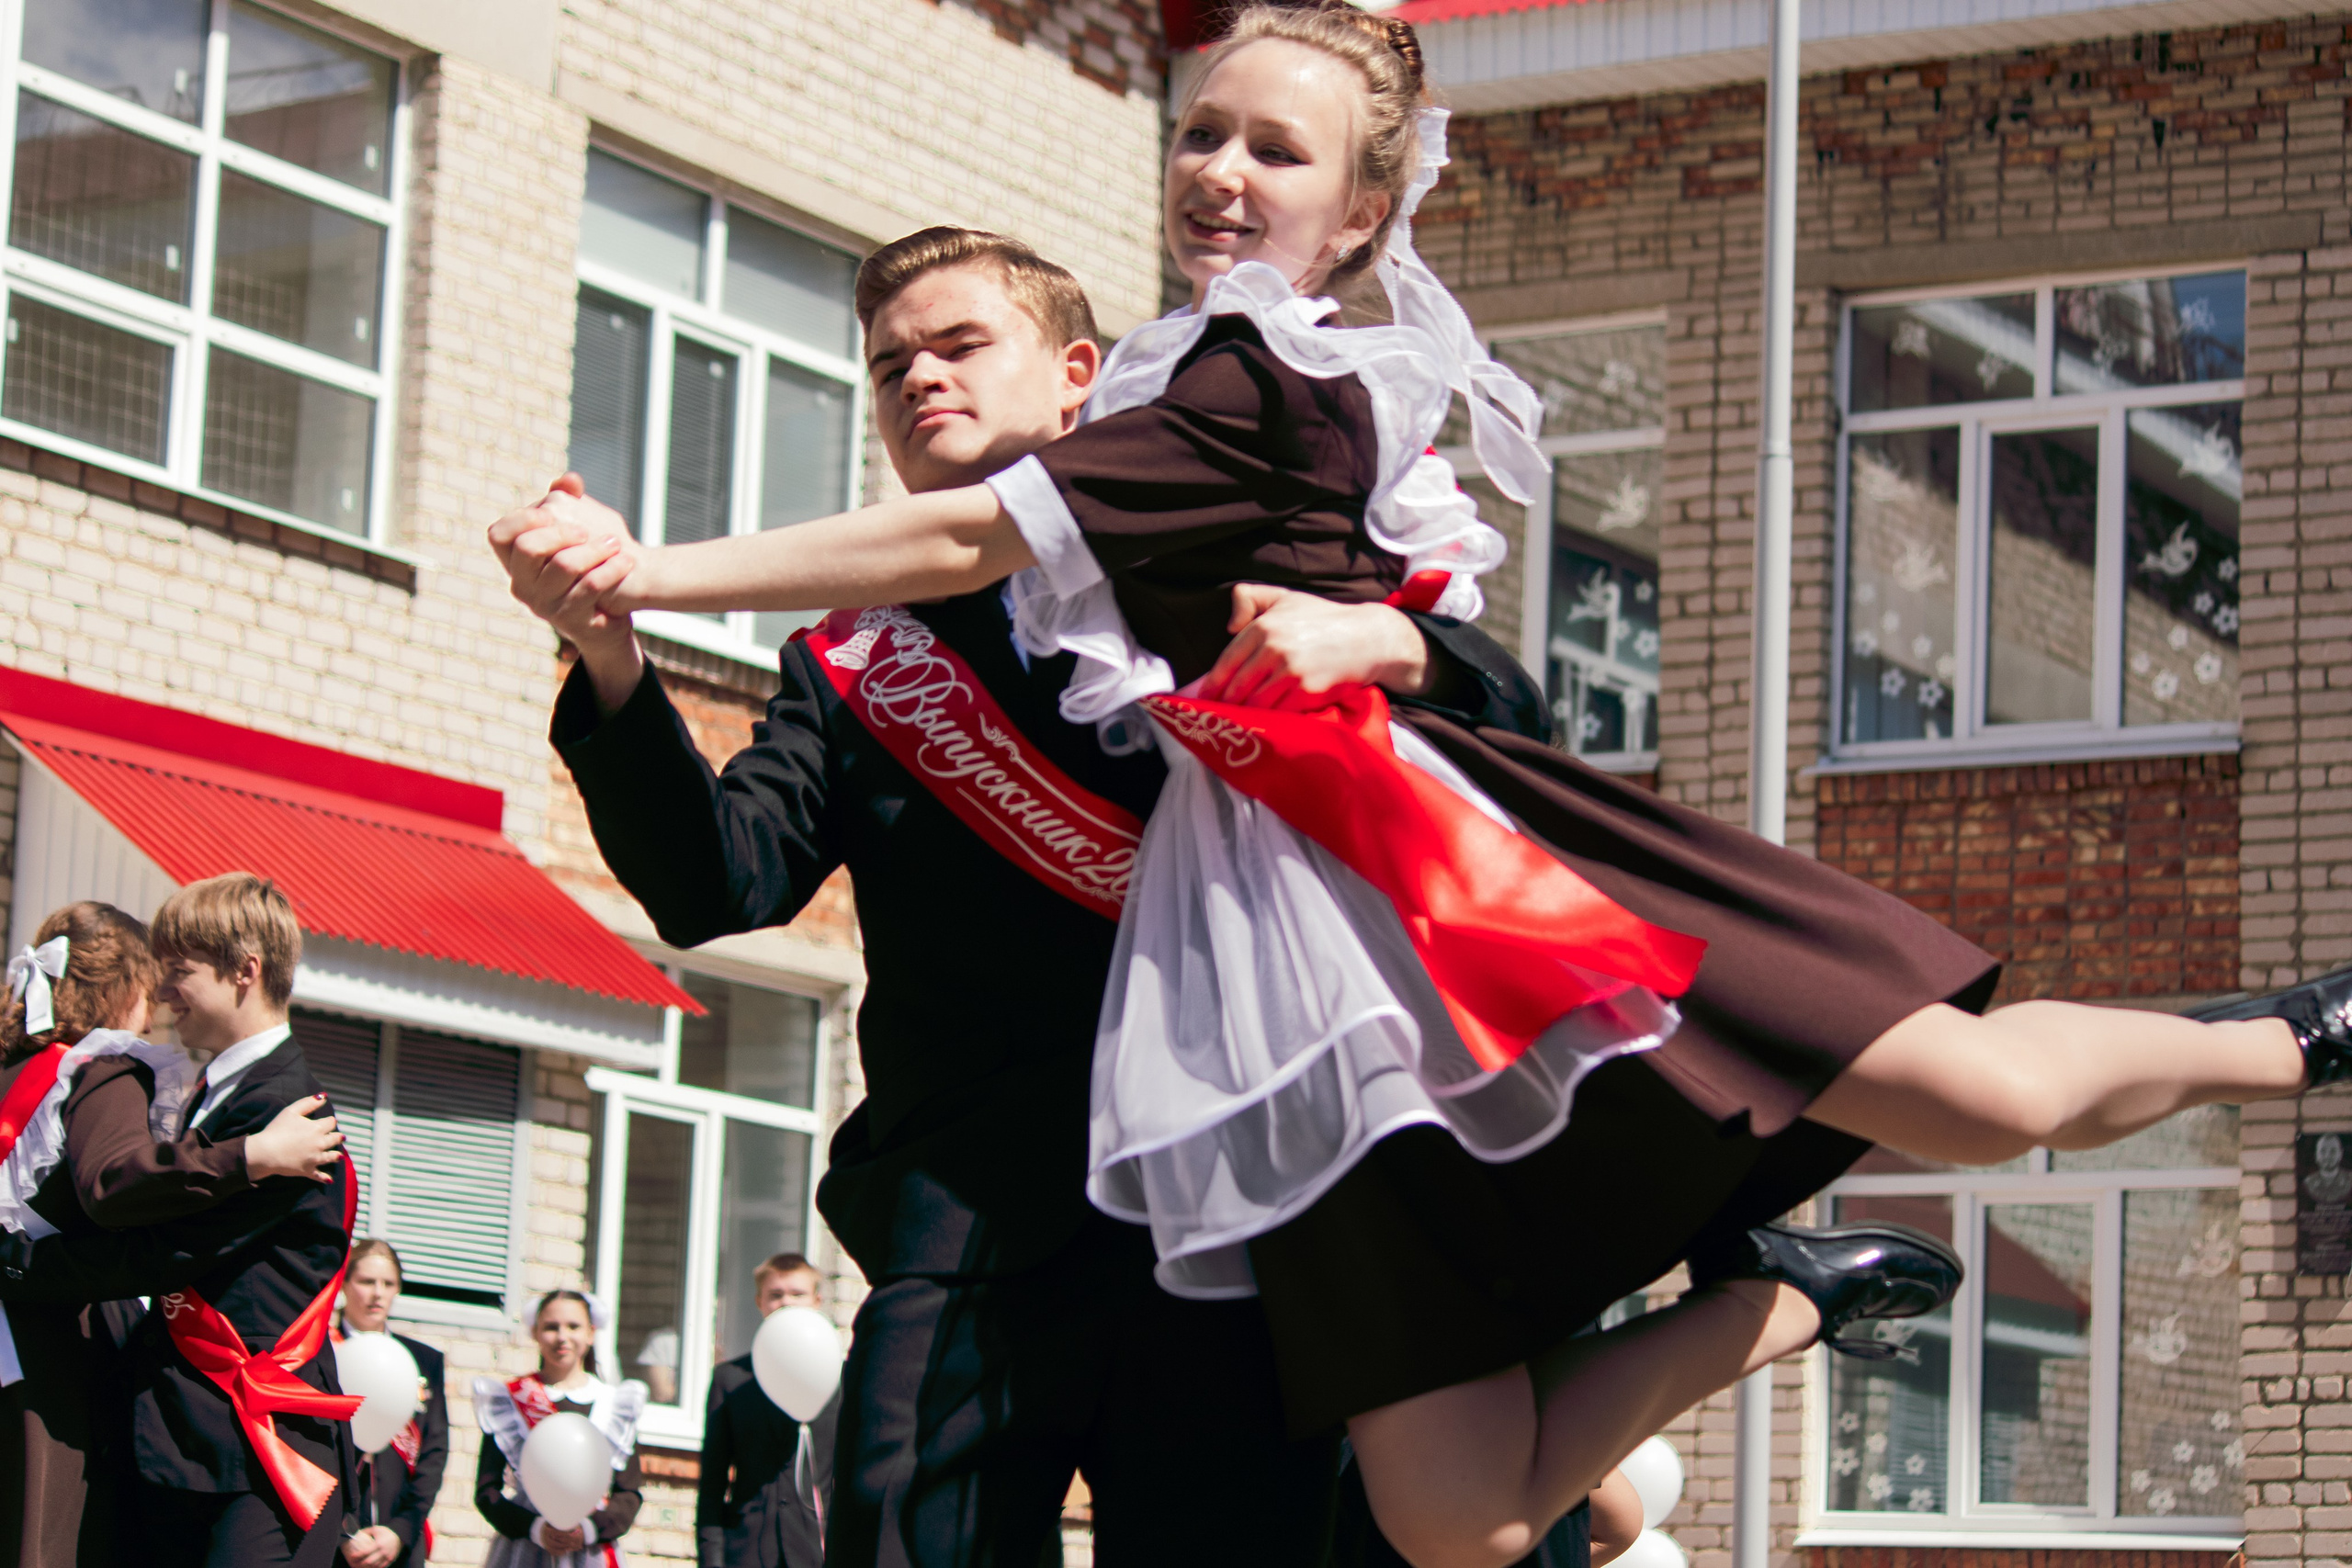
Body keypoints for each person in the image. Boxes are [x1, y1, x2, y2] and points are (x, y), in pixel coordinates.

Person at [498, 6, 2324, 1564]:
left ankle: (2289, 1032)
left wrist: (653, 562)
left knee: (1979, 1089)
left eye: (1270, 149)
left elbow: (1019, 545)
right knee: (1452, 1519)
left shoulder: (1230, 386)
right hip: (1181, 1128)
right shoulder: (928, 607)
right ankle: (1772, 1303)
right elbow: (732, 852)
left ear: (1361, 206)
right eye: (1197, 131)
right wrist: (616, 643)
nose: (1216, 168)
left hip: (1416, 961)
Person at [492, 225, 1555, 1568]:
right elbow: (716, 880)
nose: (918, 380)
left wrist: (1397, 643)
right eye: (888, 367)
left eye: (956, 346)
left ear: (1076, 381)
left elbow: (1512, 717)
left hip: (1223, 1223)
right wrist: (609, 655)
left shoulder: (1201, 566)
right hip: (967, 1224)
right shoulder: (856, 656)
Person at [0, 874, 364, 1567]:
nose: (161, 991)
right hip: (180, 1446)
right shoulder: (212, 1093)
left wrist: (18, 1264)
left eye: (179, 971)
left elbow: (157, 1250)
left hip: (256, 1460)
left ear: (244, 970)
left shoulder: (289, 1116)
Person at [473, 1288, 647, 1566]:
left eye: (573, 1327)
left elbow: (628, 1492)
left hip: (590, 1551)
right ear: (535, 1332)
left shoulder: (613, 1405)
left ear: (591, 1333)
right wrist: (534, 1528)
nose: (562, 1337)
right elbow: (487, 1491)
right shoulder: (510, 1401)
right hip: (525, 1549)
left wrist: (588, 1530)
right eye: (551, 1327)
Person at [696, 1254, 837, 1568]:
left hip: (819, 1551)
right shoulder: (731, 1379)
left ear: (817, 1300)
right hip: (747, 1551)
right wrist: (711, 1559)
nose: (786, 1302)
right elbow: (712, 1484)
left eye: (797, 1294)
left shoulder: (839, 1379)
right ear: (759, 1302)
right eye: (775, 1295)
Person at [337, 1240, 447, 1568]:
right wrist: (342, 1532)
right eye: (367, 1281)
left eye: (388, 1284)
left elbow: (434, 1452)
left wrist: (399, 1531)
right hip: (331, 1542)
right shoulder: (321, 1354)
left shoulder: (424, 1362)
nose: (378, 1293)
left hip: (398, 1543)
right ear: (344, 1282)